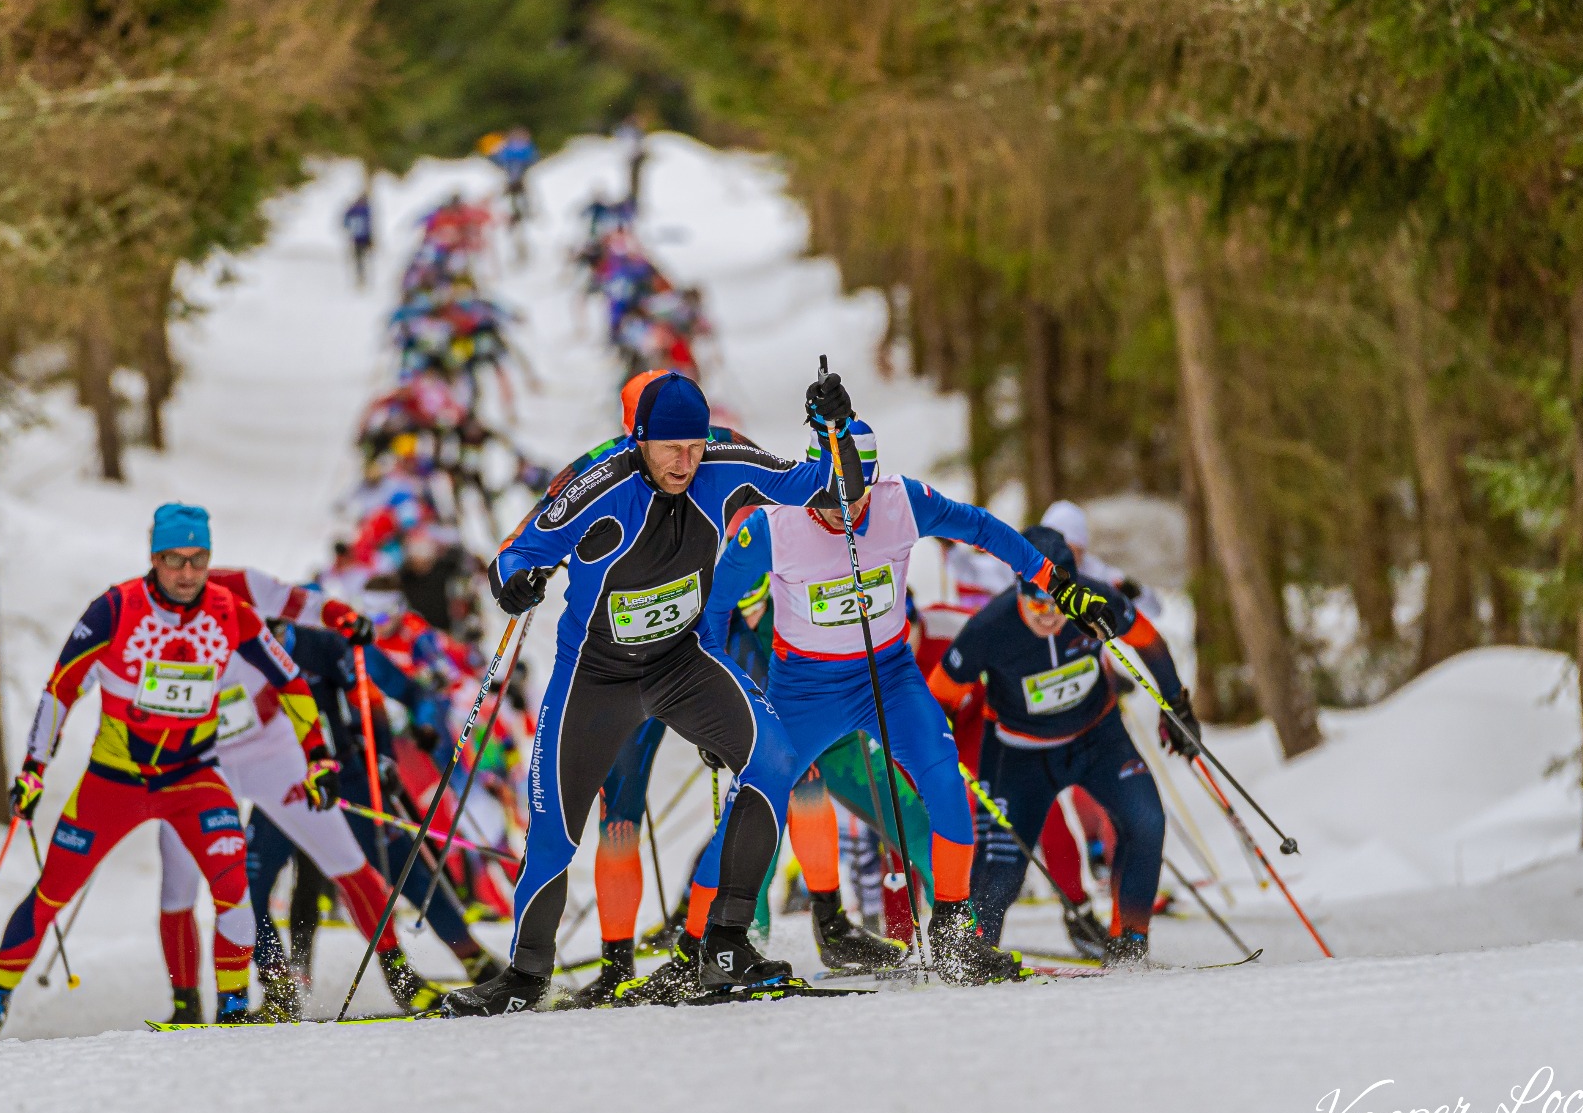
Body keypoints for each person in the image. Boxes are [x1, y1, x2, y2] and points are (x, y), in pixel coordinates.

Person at [440, 369, 868, 1016]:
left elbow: (832, 490)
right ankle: (525, 975)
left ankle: (724, 945)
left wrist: (834, 431)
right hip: (595, 675)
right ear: (638, 439)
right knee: (555, 826)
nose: (686, 461)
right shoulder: (596, 485)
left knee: (776, 759)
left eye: (694, 446)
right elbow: (513, 553)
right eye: (671, 448)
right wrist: (515, 582)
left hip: (683, 661)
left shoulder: (722, 460)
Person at [666, 422, 1107, 989]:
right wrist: (715, 699)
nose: (842, 512)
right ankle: (694, 949)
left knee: (945, 781)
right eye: (826, 497)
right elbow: (714, 614)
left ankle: (954, 937)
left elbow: (982, 528)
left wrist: (1057, 581)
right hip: (805, 690)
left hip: (890, 678)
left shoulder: (904, 503)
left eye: (855, 496)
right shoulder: (771, 526)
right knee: (752, 805)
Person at [0, 504, 303, 1045]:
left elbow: (290, 680)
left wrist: (321, 757)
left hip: (193, 778)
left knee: (233, 887)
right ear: (154, 556)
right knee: (54, 888)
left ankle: (234, 1011)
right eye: (175, 559)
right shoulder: (114, 610)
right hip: (115, 780)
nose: (188, 573)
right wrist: (34, 769)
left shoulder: (229, 611)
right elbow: (61, 689)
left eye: (199, 559)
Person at [150, 567, 444, 1021]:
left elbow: (307, 613)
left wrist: (347, 619)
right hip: (205, 760)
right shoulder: (157, 615)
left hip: (273, 754)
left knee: (346, 861)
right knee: (213, 882)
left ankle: (403, 978)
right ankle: (264, 990)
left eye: (279, 632)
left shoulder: (252, 596)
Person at [929, 526, 1197, 965]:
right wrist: (937, 739)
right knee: (1003, 869)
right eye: (1035, 601)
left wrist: (1176, 706)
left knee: (1147, 822)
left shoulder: (1095, 601)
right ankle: (968, 954)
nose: (1048, 614)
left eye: (1057, 601)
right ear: (1018, 588)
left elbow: (1147, 639)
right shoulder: (989, 628)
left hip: (1098, 739)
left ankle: (1128, 945)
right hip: (1019, 756)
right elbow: (940, 694)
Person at [343, 189, 374, 285]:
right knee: (362, 258)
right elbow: (369, 225)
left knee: (359, 258)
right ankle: (361, 276)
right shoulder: (365, 210)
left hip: (356, 237)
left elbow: (346, 221)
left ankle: (360, 276)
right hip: (363, 237)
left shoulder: (353, 209)